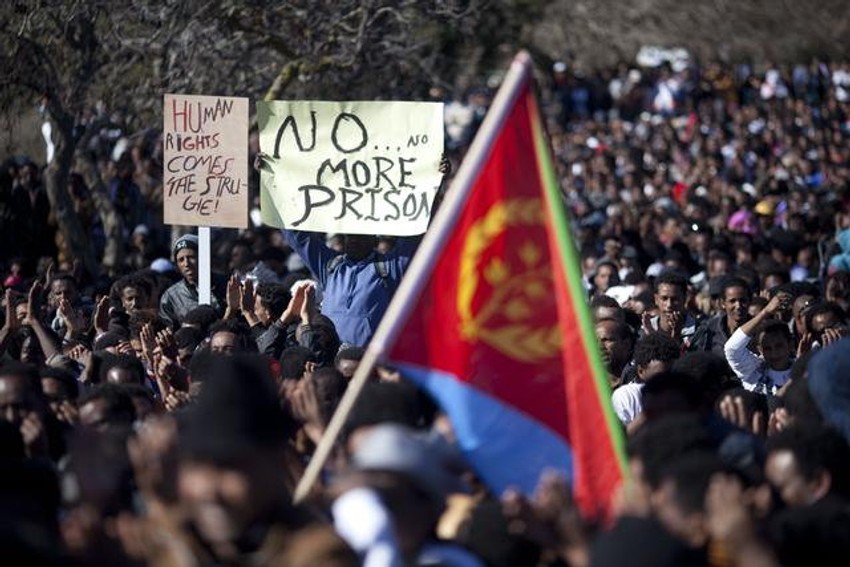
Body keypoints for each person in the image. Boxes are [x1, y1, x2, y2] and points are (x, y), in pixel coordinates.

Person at [725, 291, 795, 395]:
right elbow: (731, 348)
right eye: (767, 348)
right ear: (760, 350)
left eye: (779, 346)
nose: (774, 353)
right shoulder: (753, 371)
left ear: (790, 345)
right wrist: (765, 312)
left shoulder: (804, 369)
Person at [159, 235, 223, 328]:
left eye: (191, 257)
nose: (186, 264)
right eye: (181, 260)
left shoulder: (226, 284)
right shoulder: (171, 297)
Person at [690, 277, 752, 356]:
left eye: (743, 300)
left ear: (750, 301)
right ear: (722, 303)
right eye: (732, 301)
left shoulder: (759, 331)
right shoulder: (708, 330)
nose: (738, 306)